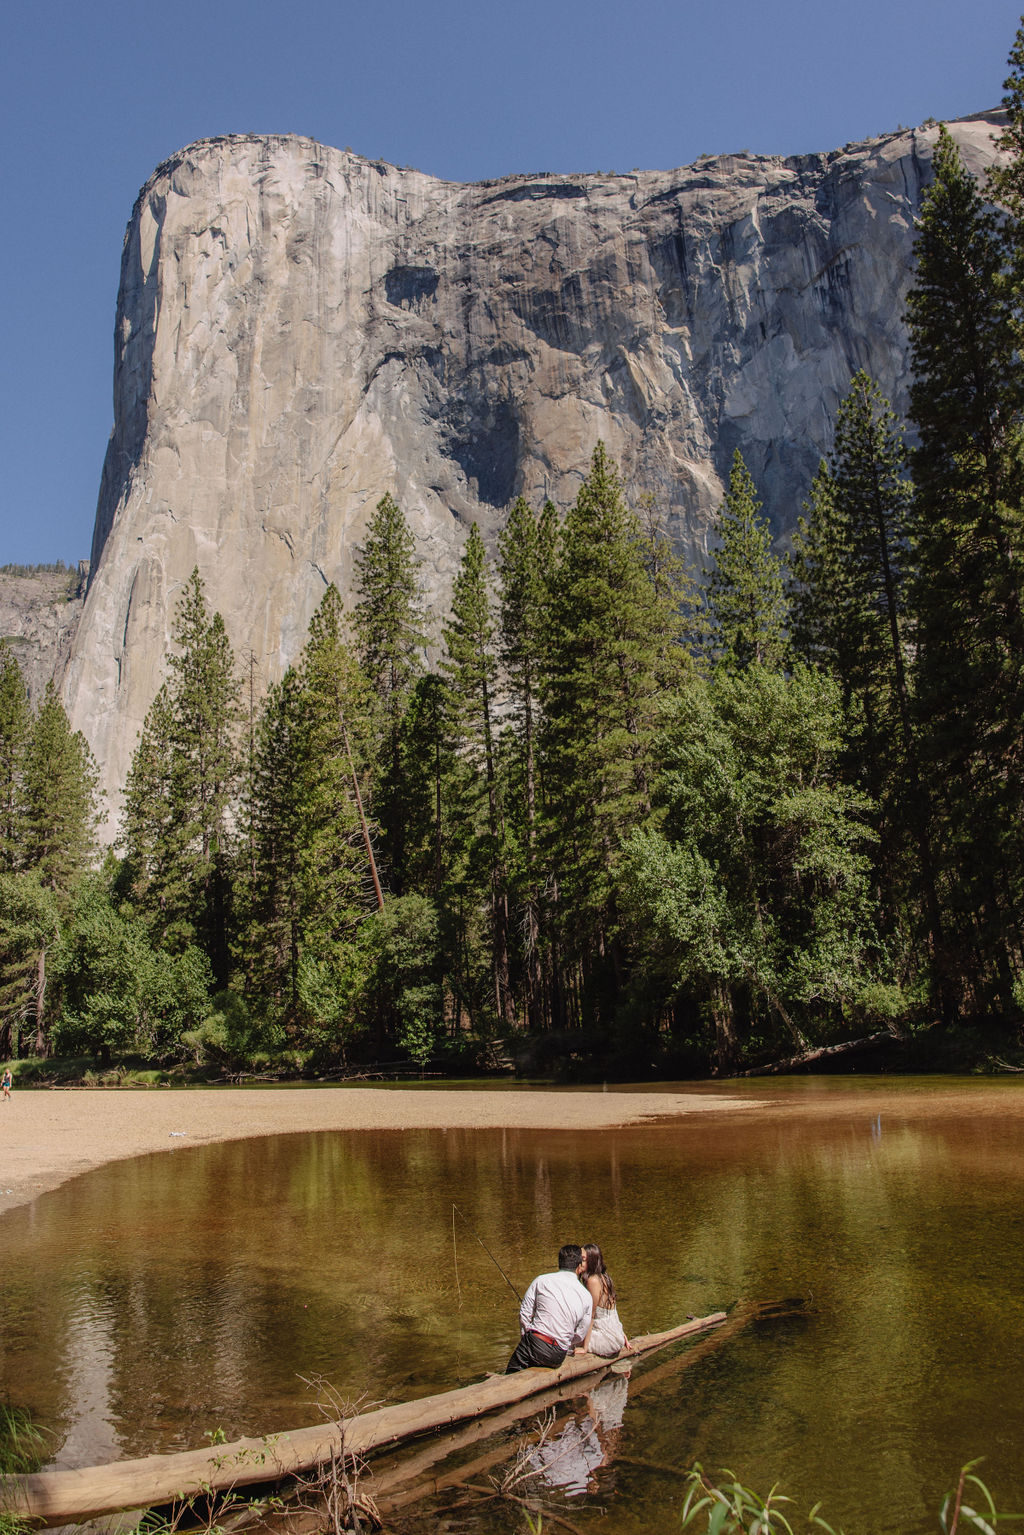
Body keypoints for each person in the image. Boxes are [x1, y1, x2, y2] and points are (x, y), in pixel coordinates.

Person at [505, 1243, 593, 1373]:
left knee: (511, 1373)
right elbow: (581, 1334)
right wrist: (565, 1341)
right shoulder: (586, 1296)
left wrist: (526, 1336)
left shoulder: (541, 1280)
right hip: (558, 1354)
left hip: (535, 1344)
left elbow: (525, 1314)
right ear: (579, 1267)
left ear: (559, 1263)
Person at [579, 1242, 630, 1357]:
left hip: (607, 1340)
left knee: (566, 1339)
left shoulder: (593, 1281)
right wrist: (621, 1334)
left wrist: (585, 1348)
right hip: (615, 1336)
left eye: (582, 1259)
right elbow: (612, 1313)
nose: (578, 1262)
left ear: (591, 1261)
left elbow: (590, 1316)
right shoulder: (604, 1277)